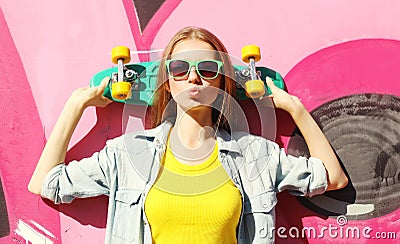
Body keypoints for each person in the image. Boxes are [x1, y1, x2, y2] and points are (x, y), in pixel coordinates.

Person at [28, 26, 348, 244]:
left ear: (223, 81)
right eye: (180, 68)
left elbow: (332, 178)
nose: (193, 77)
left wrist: (294, 109)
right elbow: (45, 184)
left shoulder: (256, 156)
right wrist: (77, 103)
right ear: (168, 81)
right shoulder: (128, 156)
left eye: (207, 68)